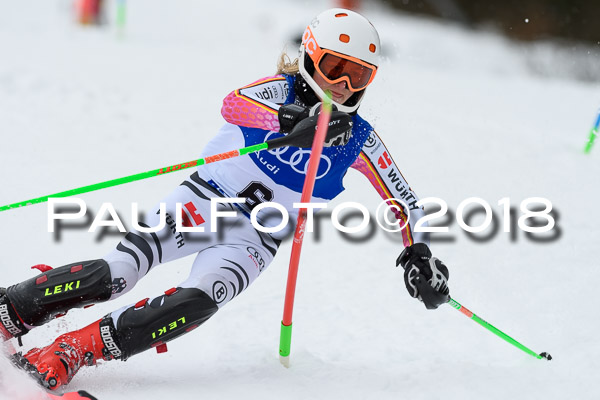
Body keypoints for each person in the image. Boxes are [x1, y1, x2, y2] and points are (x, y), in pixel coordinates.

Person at [0, 8, 450, 391]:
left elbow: (405, 200)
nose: (344, 85)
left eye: (360, 75)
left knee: (199, 301)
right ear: (311, 58)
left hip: (256, 240)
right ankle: (11, 308)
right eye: (336, 68)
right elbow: (234, 104)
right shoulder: (282, 90)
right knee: (119, 273)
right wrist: (288, 119)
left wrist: (419, 251)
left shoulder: (360, 141)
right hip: (205, 201)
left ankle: (73, 347)